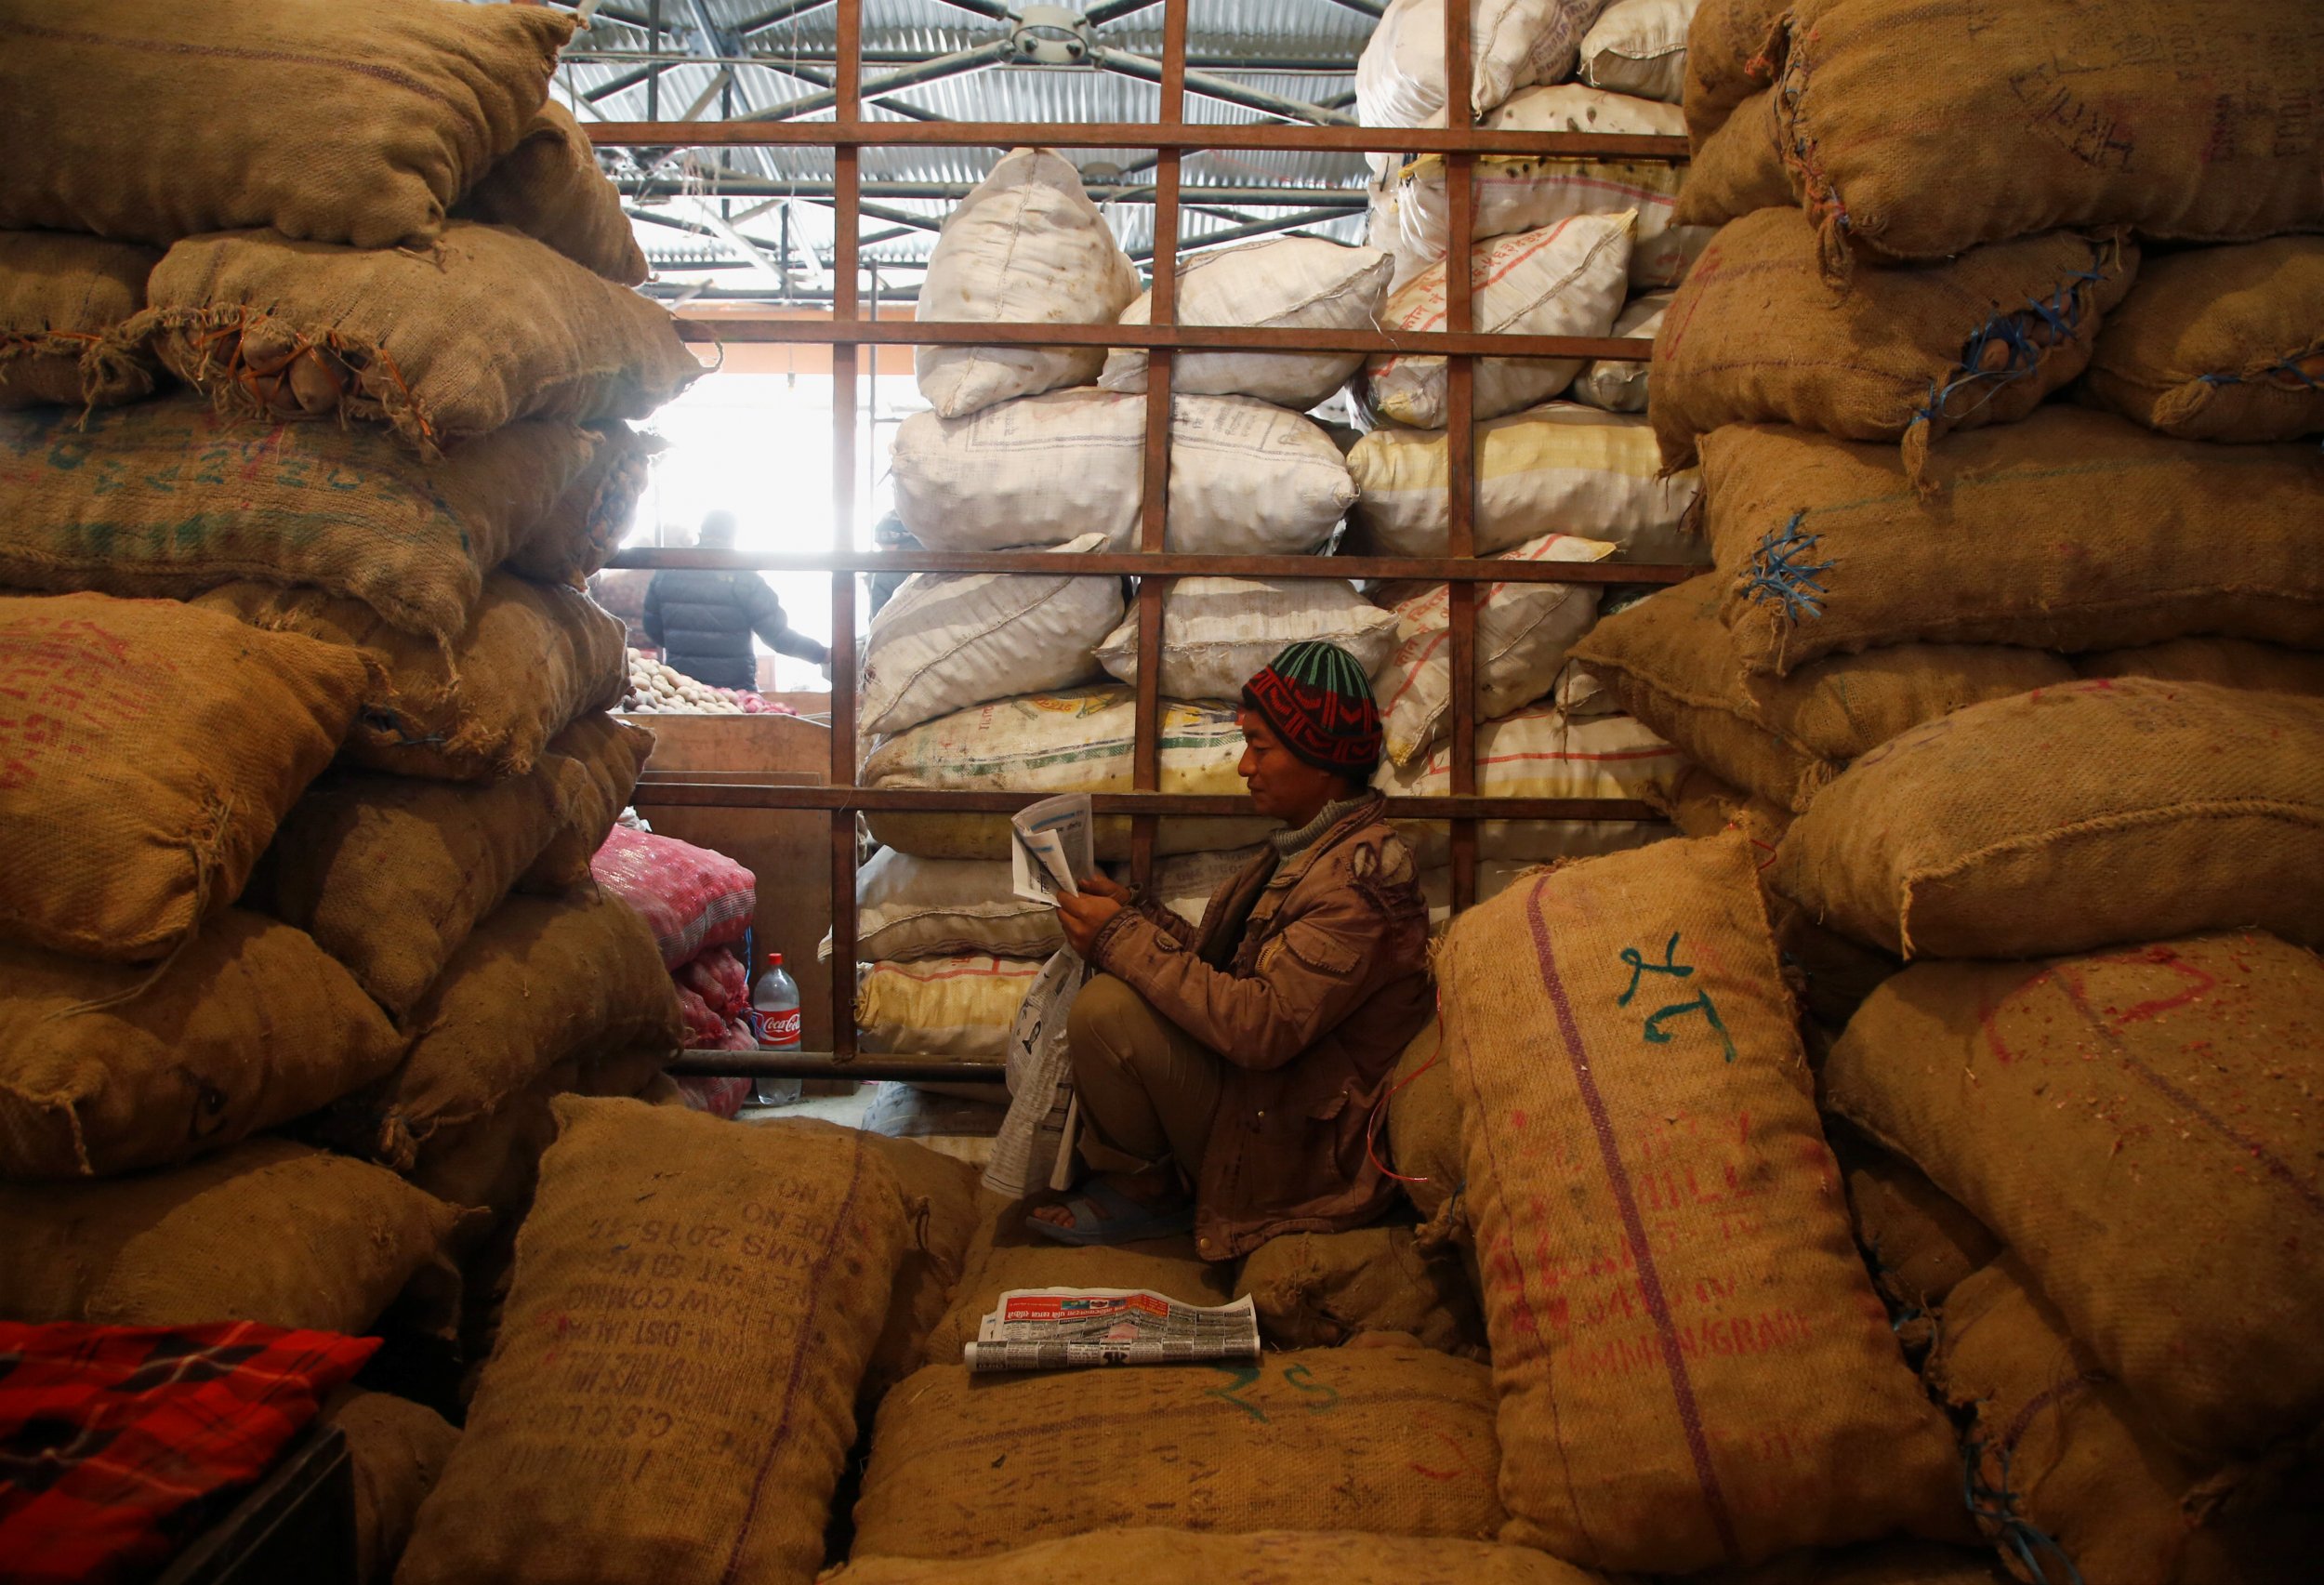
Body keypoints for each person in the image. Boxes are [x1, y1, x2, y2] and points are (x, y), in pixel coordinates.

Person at [1030, 640, 1433, 1261]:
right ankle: (1158, 1181)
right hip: (1273, 1098)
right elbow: (1226, 969)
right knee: (1120, 984)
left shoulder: (1360, 879)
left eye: (1260, 747)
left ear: (1320, 758)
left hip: (1301, 1148)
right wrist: (1136, 914)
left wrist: (1120, 937)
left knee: (1108, 1011)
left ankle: (1155, 1188)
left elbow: (1261, 1024)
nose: (1245, 766)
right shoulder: (1304, 850)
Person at [642, 511, 831, 690]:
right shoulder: (745, 578)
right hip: (734, 692)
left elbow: (653, 629)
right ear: (732, 537)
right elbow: (777, 635)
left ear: (701, 533)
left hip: (682, 690)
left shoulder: (667, 573)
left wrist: (684, 646)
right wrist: (821, 654)